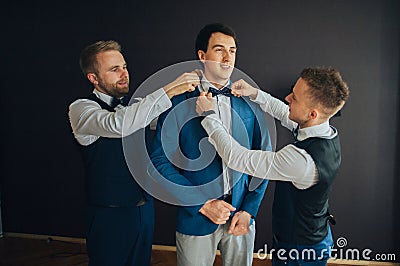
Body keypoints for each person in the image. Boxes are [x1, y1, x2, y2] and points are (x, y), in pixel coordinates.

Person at [196, 67, 350, 265]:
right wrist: (254, 93)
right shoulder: (322, 130)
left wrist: (209, 115)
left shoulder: (300, 161)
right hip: (316, 234)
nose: (287, 98)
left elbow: (236, 158)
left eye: (294, 98)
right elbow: (284, 112)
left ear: (312, 114)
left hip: (299, 250)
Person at [68, 40, 199, 266]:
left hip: (144, 210)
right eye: (114, 69)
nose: (124, 73)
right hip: (108, 215)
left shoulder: (136, 106)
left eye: (124, 66)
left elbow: (170, 120)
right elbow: (119, 124)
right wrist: (169, 89)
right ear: (93, 78)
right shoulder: (81, 109)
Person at [150, 23, 271, 266]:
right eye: (219, 50)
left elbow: (264, 160)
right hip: (195, 217)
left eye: (233, 50)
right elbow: (159, 160)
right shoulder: (178, 102)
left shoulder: (251, 102)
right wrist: (201, 203)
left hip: (241, 218)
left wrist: (249, 210)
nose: (228, 58)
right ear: (202, 56)